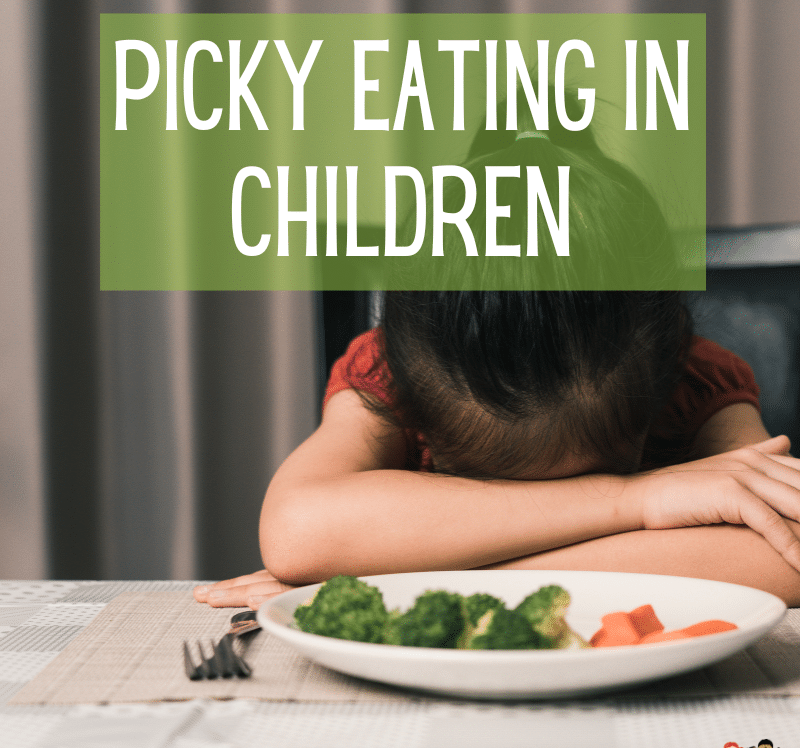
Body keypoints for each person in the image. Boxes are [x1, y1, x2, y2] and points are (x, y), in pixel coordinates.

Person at [195, 88, 800, 611]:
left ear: (668, 362)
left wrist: (422, 588)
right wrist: (632, 498)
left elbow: (784, 556)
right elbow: (298, 530)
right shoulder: (388, 374)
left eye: (594, 477)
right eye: (486, 484)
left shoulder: (697, 380)